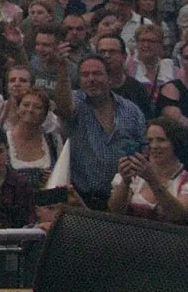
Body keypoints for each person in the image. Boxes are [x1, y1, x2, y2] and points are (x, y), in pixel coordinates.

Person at [53, 55, 147, 210]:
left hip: (122, 200)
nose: (91, 79)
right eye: (85, 75)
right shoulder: (76, 102)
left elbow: (142, 150)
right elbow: (63, 107)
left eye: (97, 74)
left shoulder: (131, 111)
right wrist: (63, 71)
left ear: (109, 78)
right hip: (82, 199)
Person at [108, 116, 188, 225]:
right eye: (150, 140)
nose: (154, 146)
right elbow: (115, 211)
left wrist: (152, 180)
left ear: (176, 143)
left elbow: (179, 215)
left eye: (161, 140)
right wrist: (126, 182)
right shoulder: (135, 176)